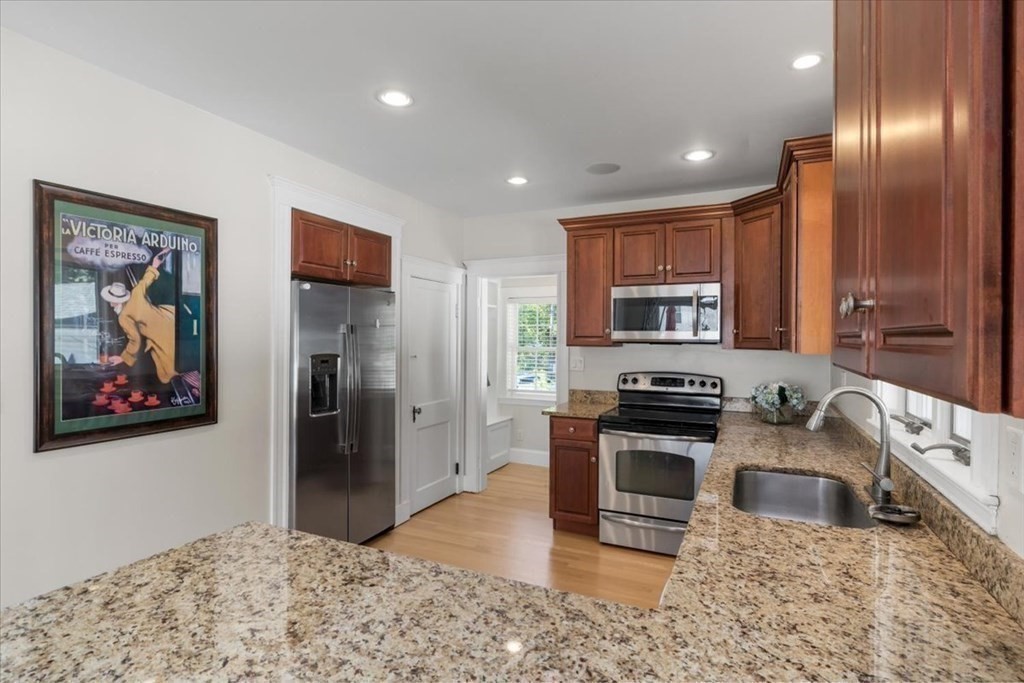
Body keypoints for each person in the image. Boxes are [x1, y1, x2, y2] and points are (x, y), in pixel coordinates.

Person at [100, 247, 177, 383]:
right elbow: (147, 278)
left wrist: (123, 357)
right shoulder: (136, 293)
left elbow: (135, 340)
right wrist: (157, 261)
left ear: (113, 302)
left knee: (167, 372)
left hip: (160, 335)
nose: (110, 303)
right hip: (170, 317)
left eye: (110, 300)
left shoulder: (123, 316)